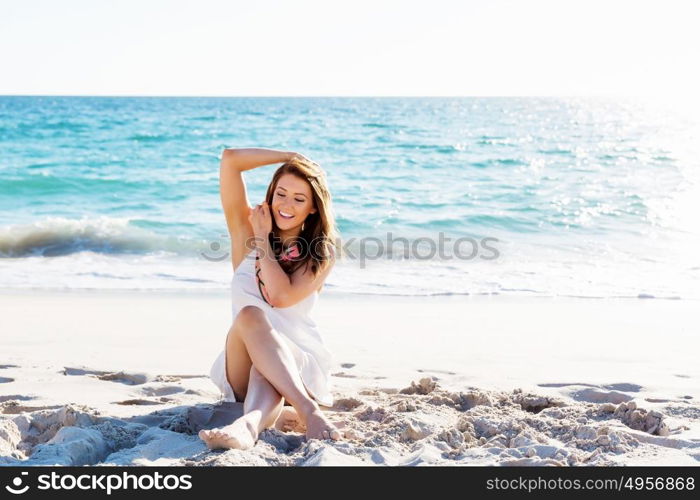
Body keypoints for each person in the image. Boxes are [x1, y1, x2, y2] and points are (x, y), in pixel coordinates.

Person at [199, 147, 342, 450]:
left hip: (297, 367)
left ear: (313, 208)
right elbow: (230, 161)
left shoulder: (320, 252)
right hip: (241, 362)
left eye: (299, 199)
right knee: (250, 316)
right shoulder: (245, 233)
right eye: (281, 193)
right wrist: (290, 157)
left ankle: (249, 424)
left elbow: (278, 296)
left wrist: (264, 239)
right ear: (271, 194)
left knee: (263, 360)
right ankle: (302, 414)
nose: (286, 205)